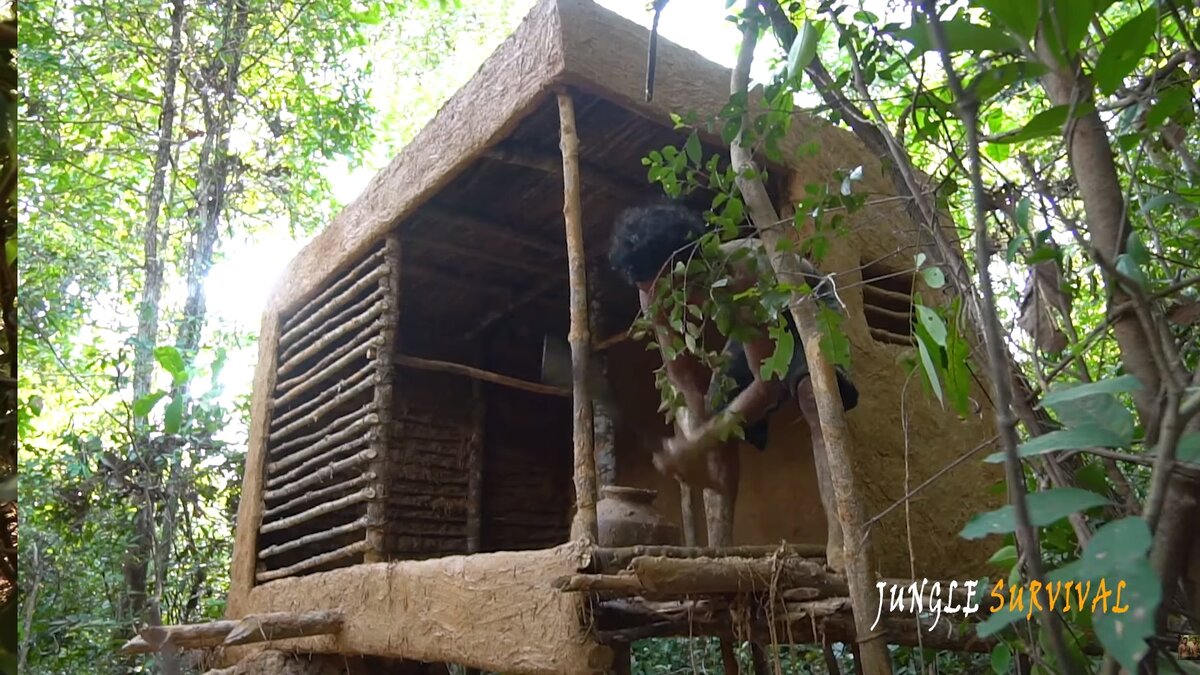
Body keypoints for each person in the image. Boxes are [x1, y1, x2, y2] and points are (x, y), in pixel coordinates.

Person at [607, 201, 858, 564]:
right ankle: (718, 553)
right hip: (753, 325)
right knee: (717, 411)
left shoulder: (739, 273)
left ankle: (843, 544)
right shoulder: (651, 295)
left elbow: (767, 382)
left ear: (690, 264)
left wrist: (700, 440)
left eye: (667, 286)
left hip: (803, 303)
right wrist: (695, 432)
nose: (658, 297)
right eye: (650, 290)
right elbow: (682, 376)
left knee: (811, 393)